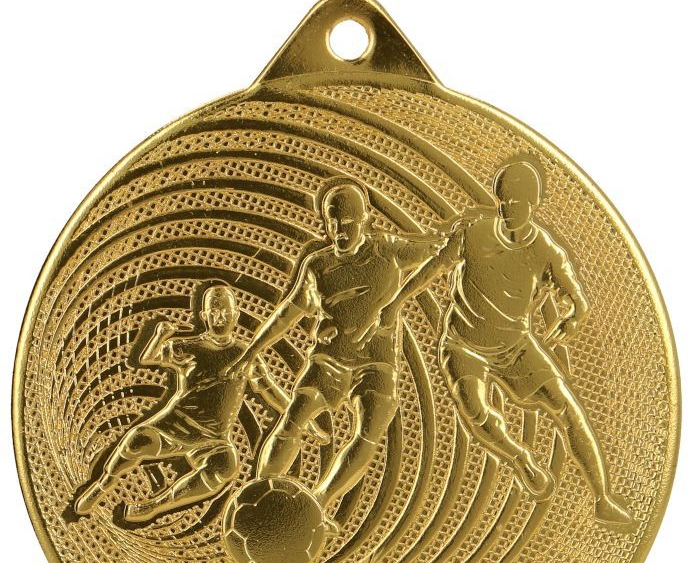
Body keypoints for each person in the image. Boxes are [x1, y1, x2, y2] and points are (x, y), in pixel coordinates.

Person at [368, 160, 634, 527]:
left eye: (518, 203)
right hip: (463, 346)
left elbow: (579, 301)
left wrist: (573, 318)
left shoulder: (546, 250)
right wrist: (396, 302)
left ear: (533, 204)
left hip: (516, 347)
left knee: (568, 409)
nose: (509, 209)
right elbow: (434, 267)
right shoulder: (473, 233)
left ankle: (603, 498)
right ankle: (520, 458)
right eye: (504, 201)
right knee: (477, 412)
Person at [229, 177, 448, 525]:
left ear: (364, 220)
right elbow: (287, 313)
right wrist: (252, 350)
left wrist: (462, 236)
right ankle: (258, 497)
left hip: (375, 363)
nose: (340, 231)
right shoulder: (317, 266)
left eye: (348, 223)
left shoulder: (388, 249)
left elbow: (439, 251)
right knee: (294, 418)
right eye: (333, 223)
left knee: (369, 428)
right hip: (328, 359)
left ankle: (318, 503)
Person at [73, 282, 326, 523]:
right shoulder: (188, 347)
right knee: (137, 439)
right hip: (174, 425)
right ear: (204, 316)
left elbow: (271, 391)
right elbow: (149, 358)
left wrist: (301, 418)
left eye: (225, 312)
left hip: (213, 439)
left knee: (226, 465)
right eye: (214, 312)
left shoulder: (246, 354)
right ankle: (101, 485)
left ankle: (154, 506)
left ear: (236, 315)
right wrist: (159, 336)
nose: (220, 317)